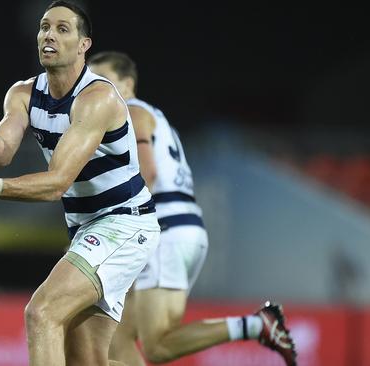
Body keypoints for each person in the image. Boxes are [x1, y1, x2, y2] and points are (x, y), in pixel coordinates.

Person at [0, 2, 160, 365]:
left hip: (124, 223)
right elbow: (1, 153)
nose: (49, 34)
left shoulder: (96, 99)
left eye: (63, 29)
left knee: (42, 313)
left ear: (84, 44)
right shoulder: (22, 94)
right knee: (87, 361)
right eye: (44, 26)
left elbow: (56, 184)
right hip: (88, 229)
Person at [87, 51, 297, 366]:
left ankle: (257, 325)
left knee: (157, 346)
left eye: (103, 80)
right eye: (91, 82)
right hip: (181, 228)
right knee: (116, 341)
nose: (96, 88)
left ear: (127, 82)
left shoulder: (129, 111)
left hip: (164, 232)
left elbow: (147, 173)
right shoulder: (152, 114)